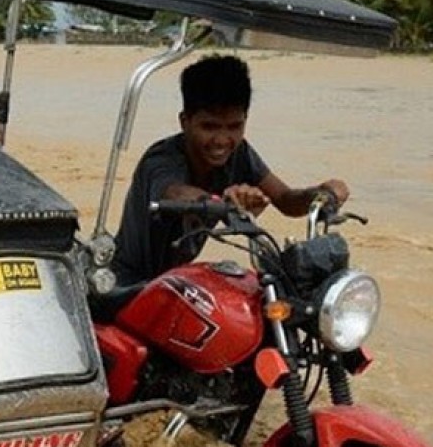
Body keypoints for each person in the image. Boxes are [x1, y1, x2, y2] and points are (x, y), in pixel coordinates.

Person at [110, 54, 350, 287]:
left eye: (235, 126)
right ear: (185, 121)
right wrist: (220, 202)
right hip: (127, 284)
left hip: (174, 282)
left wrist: (321, 193)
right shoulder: (161, 158)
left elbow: (286, 200)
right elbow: (174, 193)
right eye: (209, 127)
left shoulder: (240, 154)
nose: (222, 140)